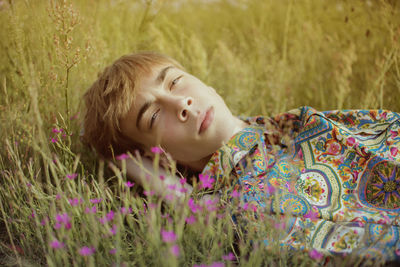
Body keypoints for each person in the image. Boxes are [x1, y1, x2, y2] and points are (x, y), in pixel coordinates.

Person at [82, 52, 400, 262]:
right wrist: (176, 196)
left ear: (202, 80)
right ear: (155, 157)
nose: (181, 103)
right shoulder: (235, 213)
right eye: (152, 116)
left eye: (175, 81)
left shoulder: (299, 124)